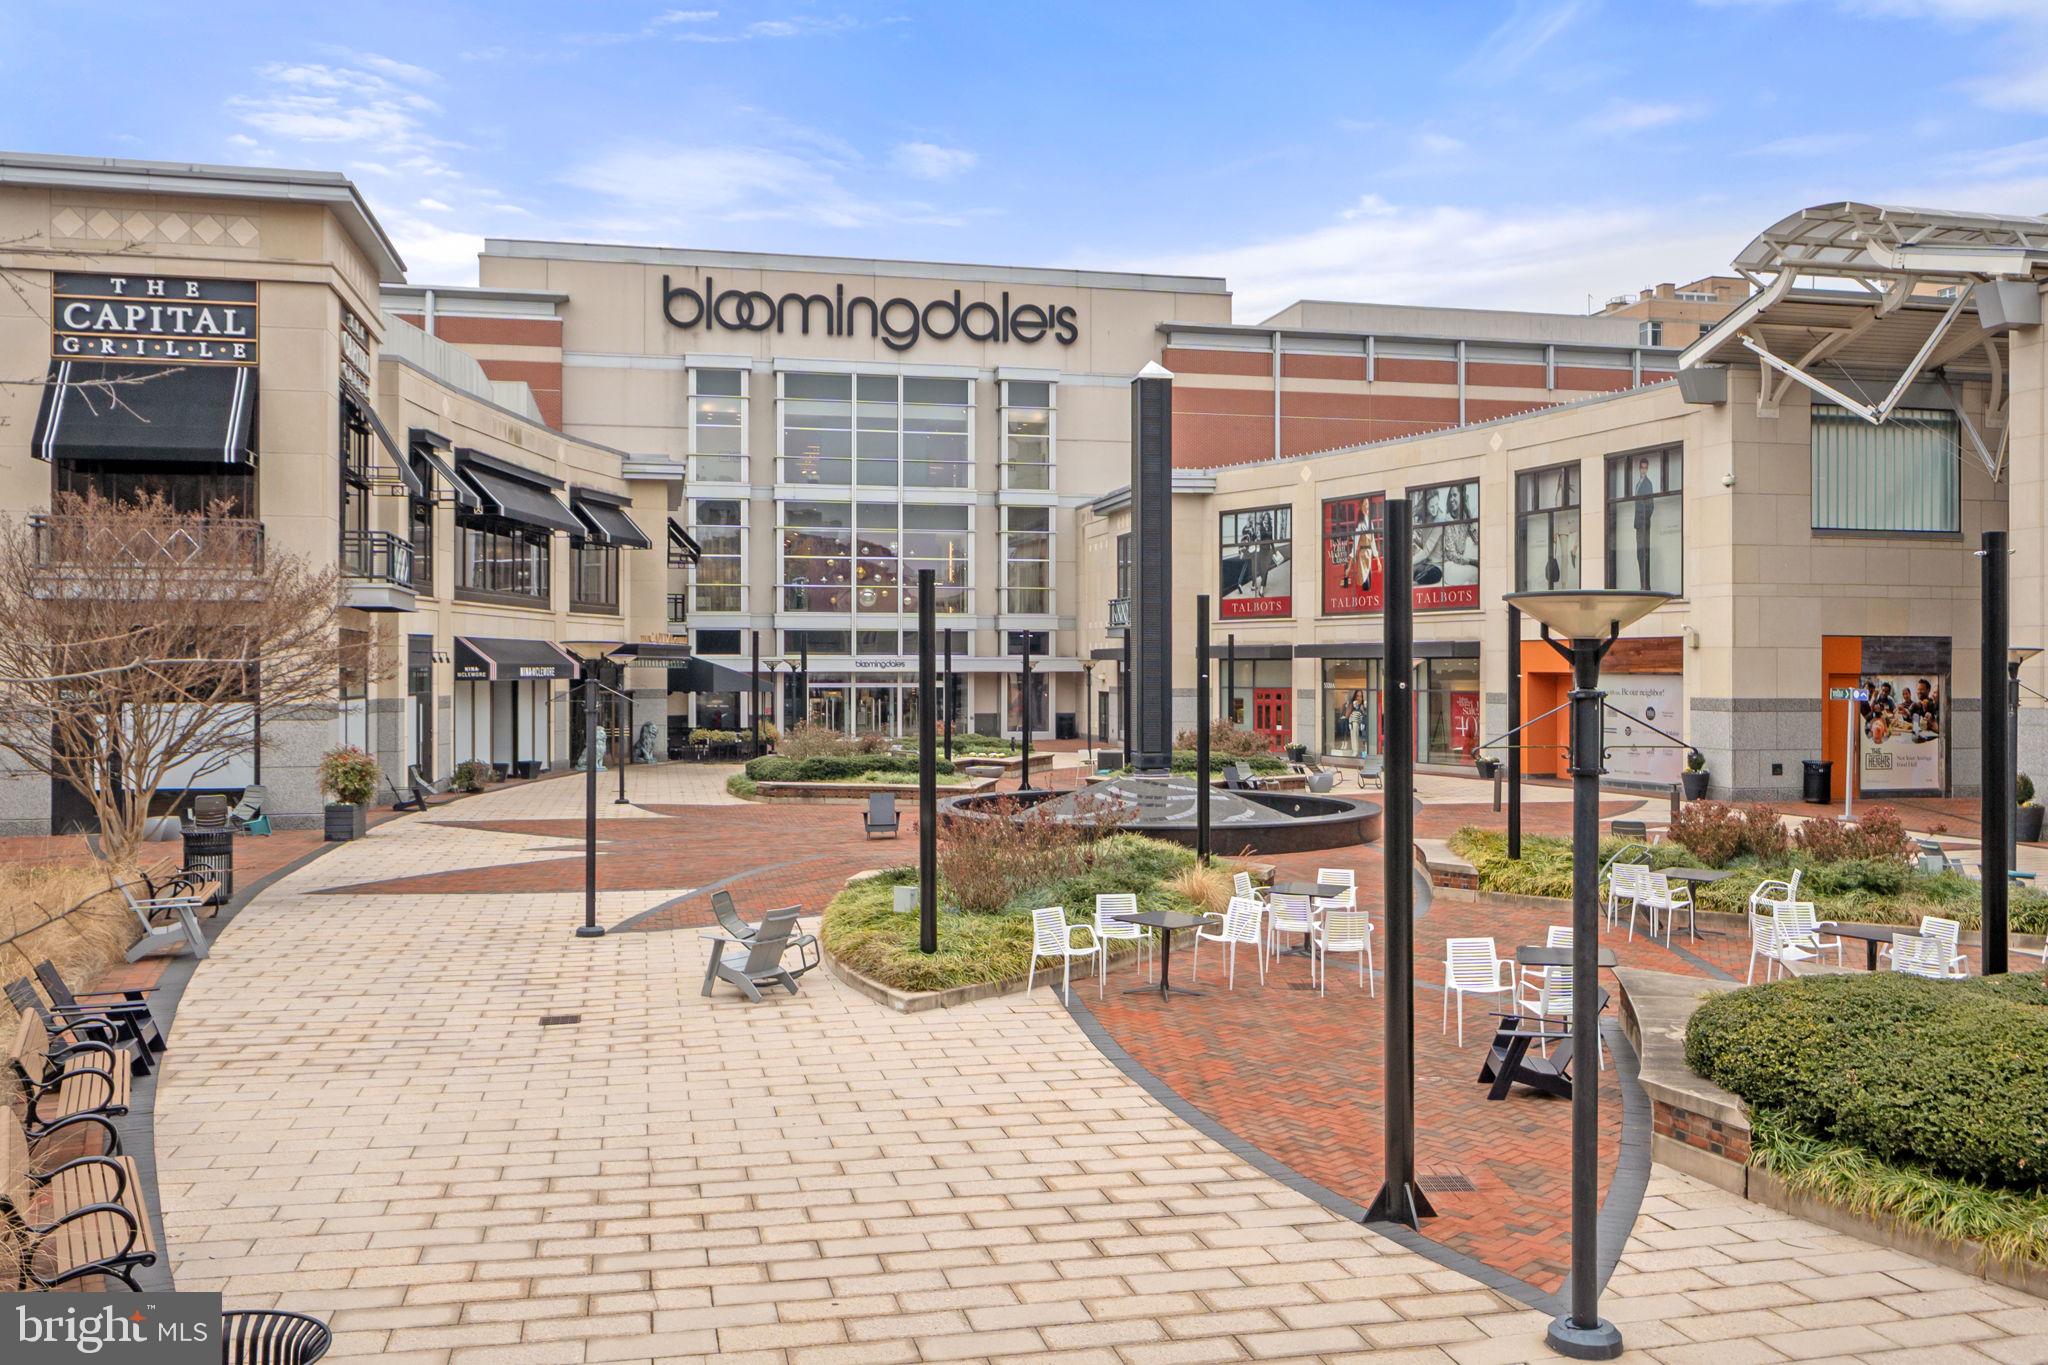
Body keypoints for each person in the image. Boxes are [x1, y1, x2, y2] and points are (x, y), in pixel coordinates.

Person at [1633, 456, 1656, 590]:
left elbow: (1651, 505)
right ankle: (1643, 584)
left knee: (1643, 553)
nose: (1643, 470)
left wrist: (1644, 521)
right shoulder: (1638, 484)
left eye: (1645, 467)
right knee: (1639, 553)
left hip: (1643, 524)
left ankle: (1645, 585)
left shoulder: (1648, 484)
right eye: (1642, 467)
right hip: (1638, 523)